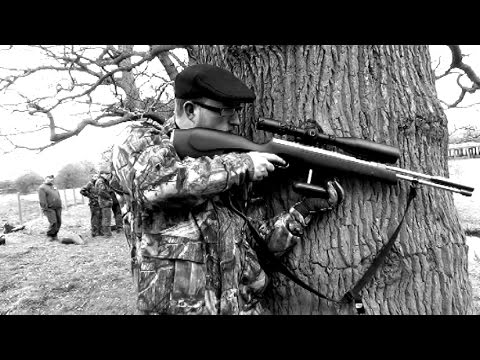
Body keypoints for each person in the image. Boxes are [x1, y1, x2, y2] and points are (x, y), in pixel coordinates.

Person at [111, 63, 344, 315]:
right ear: (190, 110)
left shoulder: (226, 166)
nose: (235, 121)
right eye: (225, 111)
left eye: (236, 112)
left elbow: (252, 249)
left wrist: (303, 210)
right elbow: (154, 183)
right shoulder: (139, 140)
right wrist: (244, 164)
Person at [38, 175, 63, 241]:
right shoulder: (42, 188)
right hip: (49, 208)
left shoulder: (54, 186)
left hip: (57, 207)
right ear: (45, 178)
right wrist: (45, 208)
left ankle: (55, 235)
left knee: (59, 222)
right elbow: (42, 200)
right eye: (49, 178)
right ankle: (49, 235)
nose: (50, 179)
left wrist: (60, 204)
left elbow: (58, 195)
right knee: (53, 222)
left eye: (51, 178)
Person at [95, 168, 114, 237]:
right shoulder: (100, 181)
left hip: (104, 202)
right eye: (106, 174)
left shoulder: (102, 181)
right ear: (102, 174)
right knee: (106, 218)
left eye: (108, 174)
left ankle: (107, 233)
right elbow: (101, 191)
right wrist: (109, 197)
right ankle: (107, 234)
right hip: (105, 202)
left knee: (106, 218)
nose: (107, 176)